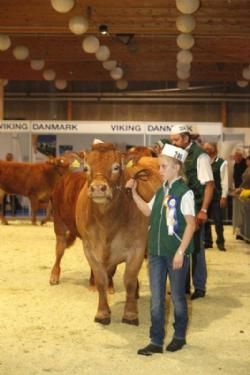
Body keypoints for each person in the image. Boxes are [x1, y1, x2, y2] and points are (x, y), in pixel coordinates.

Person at [126, 143, 196, 356]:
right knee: (156, 299)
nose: (160, 170)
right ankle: (156, 340)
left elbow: (191, 224)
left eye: (164, 166)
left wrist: (181, 252)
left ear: (176, 167)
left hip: (175, 254)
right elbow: (147, 211)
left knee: (176, 297)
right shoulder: (161, 191)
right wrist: (134, 193)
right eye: (160, 166)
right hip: (156, 253)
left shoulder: (185, 193)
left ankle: (179, 337)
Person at [170, 124, 214, 300]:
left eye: (176, 139)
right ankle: (183, 286)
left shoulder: (200, 156)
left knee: (195, 249)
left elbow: (209, 185)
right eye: (172, 139)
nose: (173, 142)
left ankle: (200, 286)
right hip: (179, 209)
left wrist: (203, 210)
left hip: (195, 210)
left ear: (186, 138)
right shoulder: (177, 154)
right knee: (181, 246)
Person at [203, 142, 228, 251]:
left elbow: (225, 181)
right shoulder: (203, 162)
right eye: (205, 147)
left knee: (218, 221)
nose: (207, 149)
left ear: (215, 149)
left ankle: (221, 242)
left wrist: (224, 196)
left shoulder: (222, 163)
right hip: (205, 196)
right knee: (205, 220)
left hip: (217, 196)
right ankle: (208, 241)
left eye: (209, 147)